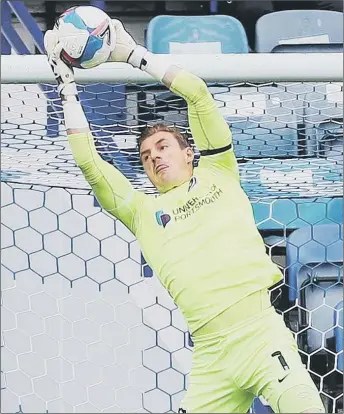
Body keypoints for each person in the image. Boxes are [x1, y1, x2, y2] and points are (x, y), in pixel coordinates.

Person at [44, 21, 325, 413]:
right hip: (210, 356)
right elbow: (91, 164)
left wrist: (134, 56)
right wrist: (67, 90)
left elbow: (198, 95)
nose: (155, 156)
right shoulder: (140, 211)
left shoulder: (219, 171)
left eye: (163, 146)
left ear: (189, 152)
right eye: (145, 156)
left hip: (260, 334)